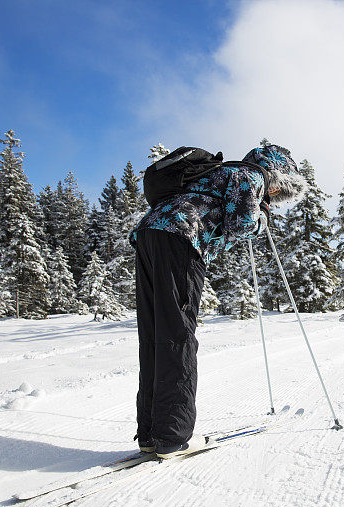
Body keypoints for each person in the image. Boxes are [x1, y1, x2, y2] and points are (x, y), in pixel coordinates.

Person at [129, 143, 306, 458]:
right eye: (280, 184)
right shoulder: (252, 174)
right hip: (181, 237)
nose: (276, 192)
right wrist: (260, 217)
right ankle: (171, 436)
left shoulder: (219, 174)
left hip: (148, 235)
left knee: (155, 335)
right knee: (177, 333)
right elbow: (241, 225)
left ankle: (150, 434)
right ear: (275, 169)